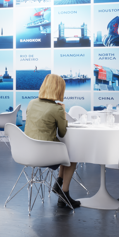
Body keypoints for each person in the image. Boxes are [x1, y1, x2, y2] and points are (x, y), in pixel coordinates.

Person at [24, 74, 80, 209]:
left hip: (27, 152)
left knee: (63, 150)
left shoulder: (31, 103)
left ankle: (58, 182)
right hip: (45, 155)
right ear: (59, 89)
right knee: (73, 155)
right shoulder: (57, 109)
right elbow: (62, 132)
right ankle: (64, 193)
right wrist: (64, 114)